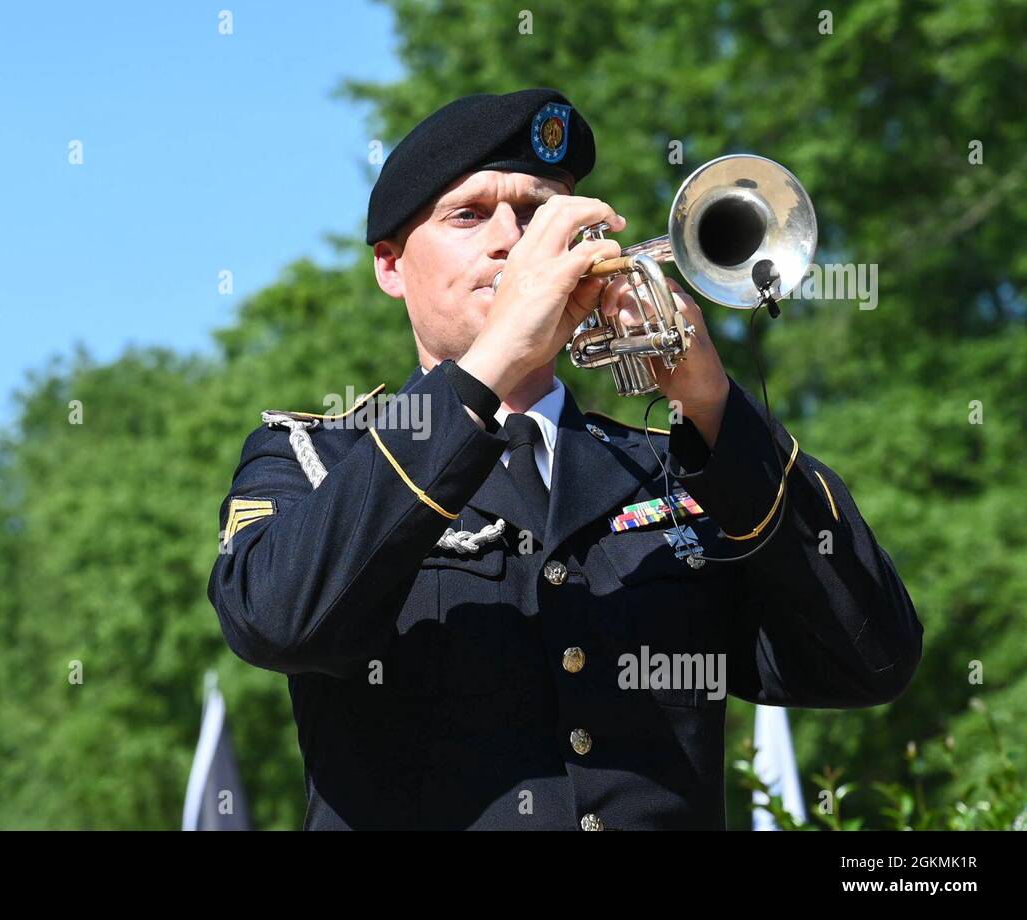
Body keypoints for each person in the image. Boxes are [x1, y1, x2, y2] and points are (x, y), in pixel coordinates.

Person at [207, 88, 923, 830]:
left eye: (539, 214)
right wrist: (488, 366)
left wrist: (713, 403)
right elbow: (279, 622)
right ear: (390, 266)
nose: (512, 240)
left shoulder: (669, 470)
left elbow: (869, 659)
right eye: (468, 215)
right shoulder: (318, 457)